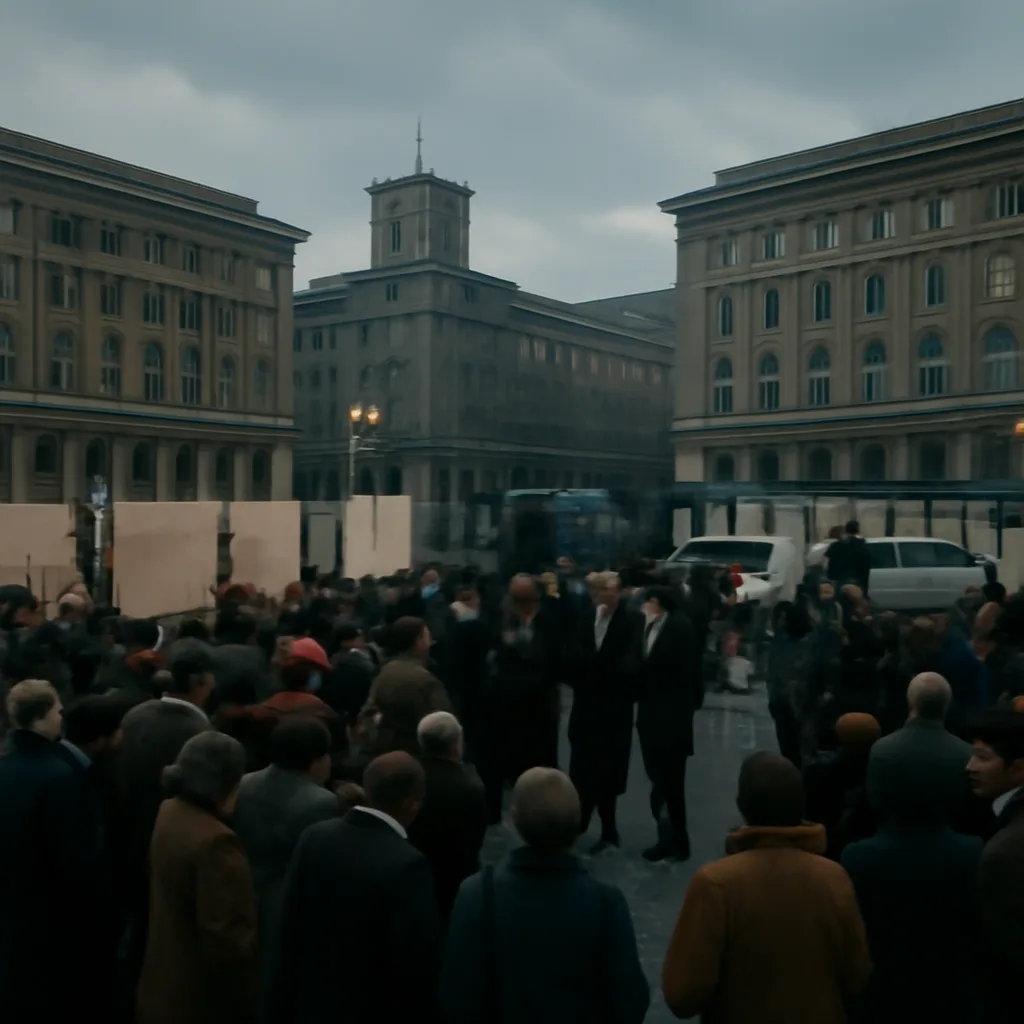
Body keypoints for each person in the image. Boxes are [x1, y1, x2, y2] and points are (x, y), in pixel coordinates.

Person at [662, 752, 871, 1023]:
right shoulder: (834, 878)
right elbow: (858, 976)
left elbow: (682, 994)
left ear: (742, 807)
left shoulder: (716, 883)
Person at [442, 768, 649, 1024]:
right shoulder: (606, 904)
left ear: (515, 820)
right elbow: (629, 1002)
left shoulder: (478, 895)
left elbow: (458, 997)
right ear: (577, 823)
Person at [265, 751, 441, 1023]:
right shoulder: (407, 864)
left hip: (306, 1004)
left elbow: (288, 925)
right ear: (412, 804)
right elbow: (412, 966)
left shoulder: (315, 837)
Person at [136, 731, 258, 1024]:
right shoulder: (216, 842)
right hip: (199, 999)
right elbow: (228, 941)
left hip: (162, 984)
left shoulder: (170, 810)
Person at [0, 680, 100, 1019]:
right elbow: (74, 859)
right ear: (41, 717)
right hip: (48, 912)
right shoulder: (60, 777)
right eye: (57, 711)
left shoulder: (5, 767)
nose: (61, 717)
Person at [117, 639, 215, 979]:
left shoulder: (135, 716)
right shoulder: (199, 734)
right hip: (172, 845)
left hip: (126, 836)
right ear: (200, 681)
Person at [232, 717, 341, 958]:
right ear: (316, 761)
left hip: (240, 896)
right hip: (288, 909)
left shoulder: (243, 784)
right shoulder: (322, 803)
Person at [567, 572, 641, 850]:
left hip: (613, 709)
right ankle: (582, 819)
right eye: (607, 590)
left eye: (616, 590)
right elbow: (573, 654)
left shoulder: (631, 620)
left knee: (608, 770)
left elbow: (631, 662)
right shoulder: (586, 618)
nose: (612, 595)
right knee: (583, 768)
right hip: (586, 706)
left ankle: (609, 828)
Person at [867, 672, 989, 835]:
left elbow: (875, 803)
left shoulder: (882, 750)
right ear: (947, 704)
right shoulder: (966, 754)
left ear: (910, 702)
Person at [966, 709, 1024, 1023]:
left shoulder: (1002, 853)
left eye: (982, 757)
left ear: (1017, 768)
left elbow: (1009, 956)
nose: (970, 766)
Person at [636, 585, 701, 861]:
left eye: (650, 600)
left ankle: (675, 840)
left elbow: (687, 675)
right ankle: (670, 837)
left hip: (670, 720)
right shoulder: (651, 628)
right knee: (661, 782)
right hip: (651, 718)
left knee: (670, 785)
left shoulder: (679, 628)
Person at [407, 711, 488, 921]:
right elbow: (474, 840)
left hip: (413, 871)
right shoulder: (470, 787)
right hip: (455, 876)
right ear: (455, 745)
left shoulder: (408, 776)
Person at [360, 616, 453, 756]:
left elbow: (367, 713)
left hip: (386, 751)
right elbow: (442, 725)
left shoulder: (385, 671)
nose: (431, 643)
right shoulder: (426, 681)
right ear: (418, 642)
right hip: (416, 754)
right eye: (427, 637)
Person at [825, 520, 871, 596]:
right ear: (857, 530)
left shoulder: (836, 545)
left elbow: (826, 560)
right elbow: (867, 565)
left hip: (839, 580)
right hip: (857, 580)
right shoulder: (862, 545)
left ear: (846, 530)